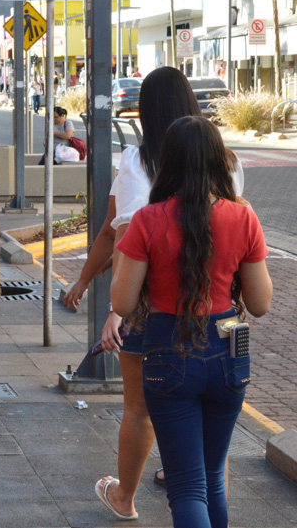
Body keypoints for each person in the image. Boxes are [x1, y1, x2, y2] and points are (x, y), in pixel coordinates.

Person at [63, 67, 245, 520]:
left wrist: (98, 294)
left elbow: (118, 235)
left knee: (141, 410)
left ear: (145, 112)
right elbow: (259, 297)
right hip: (220, 319)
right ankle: (198, 479)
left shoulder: (137, 163)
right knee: (210, 459)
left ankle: (125, 496)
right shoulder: (228, 163)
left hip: (154, 312)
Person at [111, 115, 271, 528]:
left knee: (186, 487)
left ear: (168, 162)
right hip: (229, 349)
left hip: (168, 349)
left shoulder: (148, 219)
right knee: (213, 477)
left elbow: (122, 302)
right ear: (219, 160)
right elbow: (260, 303)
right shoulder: (243, 217)